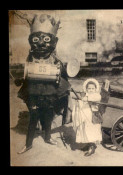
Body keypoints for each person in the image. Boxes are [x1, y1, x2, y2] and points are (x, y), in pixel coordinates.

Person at [17, 14, 71, 154]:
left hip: (49, 92)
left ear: (54, 41)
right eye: (36, 39)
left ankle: (47, 137)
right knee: (33, 117)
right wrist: (21, 80)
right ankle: (28, 144)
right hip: (33, 93)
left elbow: (64, 74)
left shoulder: (55, 58)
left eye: (46, 39)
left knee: (48, 115)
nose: (40, 43)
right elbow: (26, 75)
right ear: (30, 41)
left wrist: (63, 71)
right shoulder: (31, 57)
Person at [72, 78, 102, 157]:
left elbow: (92, 99)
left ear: (95, 89)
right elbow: (83, 100)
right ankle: (88, 143)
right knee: (85, 129)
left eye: (93, 88)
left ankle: (92, 147)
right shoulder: (86, 95)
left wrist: (84, 99)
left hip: (93, 116)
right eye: (89, 88)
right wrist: (81, 100)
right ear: (86, 89)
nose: (91, 90)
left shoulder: (97, 96)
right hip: (87, 115)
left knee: (91, 130)